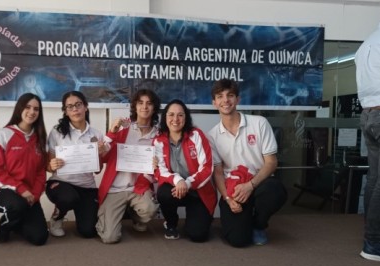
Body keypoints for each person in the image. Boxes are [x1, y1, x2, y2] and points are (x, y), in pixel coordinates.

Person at [207, 78, 287, 247]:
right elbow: (218, 172)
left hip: (259, 185)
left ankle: (258, 225)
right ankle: (242, 222)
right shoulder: (212, 136)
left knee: (275, 190)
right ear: (214, 103)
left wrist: (250, 185)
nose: (225, 100)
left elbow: (271, 162)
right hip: (233, 190)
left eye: (230, 95)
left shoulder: (259, 123)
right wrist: (228, 198)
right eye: (220, 96)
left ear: (238, 99)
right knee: (238, 240)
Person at [96, 89, 161, 244]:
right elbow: (103, 156)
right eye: (140, 103)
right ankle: (105, 217)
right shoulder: (123, 129)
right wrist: (111, 133)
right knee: (109, 238)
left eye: (149, 103)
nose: (144, 107)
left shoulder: (159, 135)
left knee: (149, 209)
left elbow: (160, 169)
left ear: (154, 108)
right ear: (135, 107)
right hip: (115, 189)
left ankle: (135, 215)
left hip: (138, 188)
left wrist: (155, 168)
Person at [0, 93, 49, 245]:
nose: (32, 112)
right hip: (1, 189)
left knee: (39, 238)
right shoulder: (3, 134)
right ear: (20, 108)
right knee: (17, 206)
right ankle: (4, 228)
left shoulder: (40, 138)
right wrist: (21, 189)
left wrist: (34, 194)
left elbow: (41, 172)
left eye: (36, 109)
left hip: (29, 194)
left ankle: (18, 221)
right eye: (27, 107)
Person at [153, 99, 216, 242]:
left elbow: (207, 167)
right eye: (171, 115)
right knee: (164, 193)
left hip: (197, 191)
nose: (175, 119)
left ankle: (199, 219)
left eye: (180, 115)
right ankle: (171, 223)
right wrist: (178, 180)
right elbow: (160, 171)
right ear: (165, 117)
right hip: (175, 189)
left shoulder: (197, 135)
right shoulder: (158, 141)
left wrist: (187, 183)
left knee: (198, 235)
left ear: (186, 117)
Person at [46, 91, 105, 238]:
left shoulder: (96, 135)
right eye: (70, 106)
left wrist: (99, 154)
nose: (75, 109)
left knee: (88, 231)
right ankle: (57, 218)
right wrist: (52, 165)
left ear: (86, 107)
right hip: (61, 183)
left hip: (87, 186)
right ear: (65, 111)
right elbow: (47, 166)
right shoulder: (57, 132)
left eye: (78, 105)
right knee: (68, 198)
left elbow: (98, 171)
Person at [355, 0, 380, 262]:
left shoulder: (368, 43)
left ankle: (372, 240)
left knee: (376, 180)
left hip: (369, 116)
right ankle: (375, 245)